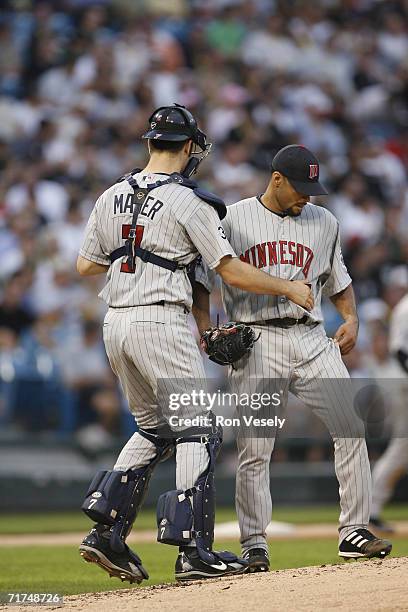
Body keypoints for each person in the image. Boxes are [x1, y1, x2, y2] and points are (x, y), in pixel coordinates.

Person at [76, 106, 314, 584]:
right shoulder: (190, 202)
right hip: (160, 322)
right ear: (187, 148)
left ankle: (106, 534)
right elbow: (227, 268)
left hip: (117, 323)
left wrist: (146, 259)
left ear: (150, 143)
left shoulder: (111, 194)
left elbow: (85, 266)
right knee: (201, 429)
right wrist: (288, 288)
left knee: (154, 429)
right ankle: (193, 551)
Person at [194, 144, 393, 572]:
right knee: (255, 447)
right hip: (257, 337)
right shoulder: (233, 217)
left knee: (351, 426)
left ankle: (354, 530)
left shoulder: (325, 221)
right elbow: (207, 274)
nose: (307, 196)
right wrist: (206, 327)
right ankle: (254, 542)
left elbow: (338, 280)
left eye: (312, 188)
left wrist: (351, 318)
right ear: (277, 179)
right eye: (300, 187)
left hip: (310, 337)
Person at [369, 293, 408, 532]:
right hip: (405, 384)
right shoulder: (405, 308)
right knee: (401, 448)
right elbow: (399, 352)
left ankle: (372, 509)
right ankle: (370, 508)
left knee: (402, 450)